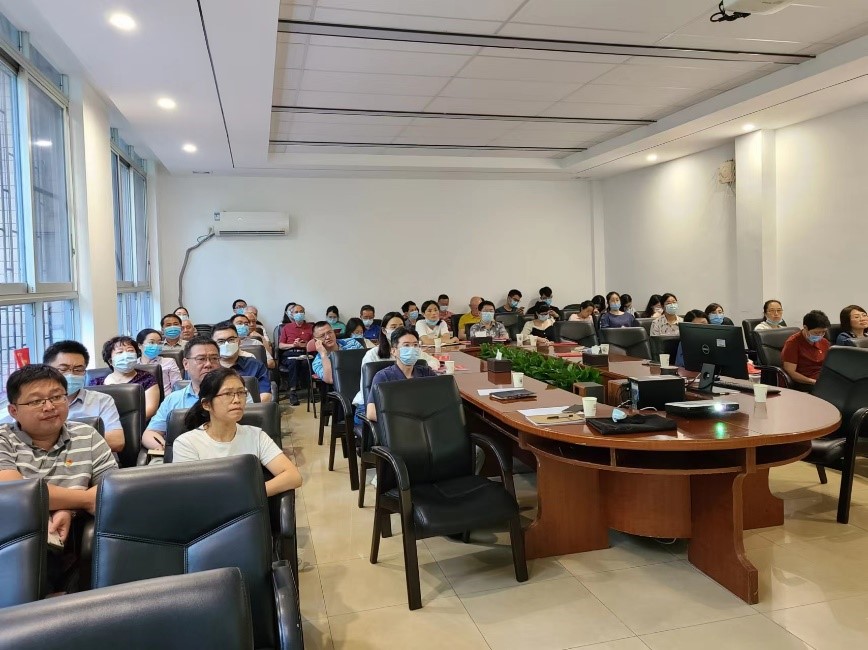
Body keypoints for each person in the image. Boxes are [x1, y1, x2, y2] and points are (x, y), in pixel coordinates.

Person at [0, 365, 117, 590]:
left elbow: (112, 490)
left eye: (56, 397)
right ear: (13, 410)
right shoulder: (3, 438)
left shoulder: (87, 435)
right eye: (36, 401)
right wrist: (83, 500)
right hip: (13, 538)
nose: (49, 407)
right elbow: (14, 492)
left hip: (72, 539)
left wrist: (68, 510)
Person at [173, 368, 301, 496]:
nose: (237, 400)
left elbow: (293, 476)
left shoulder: (256, 436)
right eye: (228, 394)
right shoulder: (187, 443)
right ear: (206, 404)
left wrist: (248, 495)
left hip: (250, 507)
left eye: (241, 393)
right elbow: (190, 493)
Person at [0, 341, 124, 453]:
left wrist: (57, 445)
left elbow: (117, 441)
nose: (71, 374)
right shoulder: (23, 404)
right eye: (63, 369)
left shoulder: (102, 400)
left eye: (78, 370)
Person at [141, 336, 253, 453]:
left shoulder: (239, 394)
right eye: (201, 359)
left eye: (214, 358)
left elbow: (249, 429)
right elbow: (150, 433)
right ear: (186, 364)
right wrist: (167, 448)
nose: (208, 364)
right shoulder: (173, 399)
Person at [365, 327, 437, 422]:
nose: (412, 349)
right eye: (406, 345)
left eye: (415, 345)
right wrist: (404, 419)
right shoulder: (383, 376)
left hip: (426, 424)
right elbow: (371, 413)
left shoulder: (426, 373)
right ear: (393, 351)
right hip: (398, 426)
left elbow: (440, 400)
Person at [352, 311, 405, 424]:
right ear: (384, 331)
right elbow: (366, 390)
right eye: (393, 327)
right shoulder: (372, 355)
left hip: (400, 403)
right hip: (371, 404)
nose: (399, 331)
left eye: (401, 326)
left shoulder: (409, 351)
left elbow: (431, 361)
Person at [89, 336, 160, 419]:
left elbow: (150, 409)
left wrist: (127, 423)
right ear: (110, 361)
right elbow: (90, 410)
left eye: (130, 351)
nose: (126, 355)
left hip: (138, 423)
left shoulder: (147, 378)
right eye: (120, 352)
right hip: (103, 424)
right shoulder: (96, 383)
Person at [213, 322, 272, 402]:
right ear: (213, 345)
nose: (227, 344)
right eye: (221, 341)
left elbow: (265, 396)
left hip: (251, 408)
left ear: (239, 341)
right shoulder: (207, 368)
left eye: (231, 339)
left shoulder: (256, 365)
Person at [781, 310, 831, 388]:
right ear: (805, 328)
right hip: (806, 382)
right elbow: (790, 372)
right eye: (817, 333)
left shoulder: (824, 342)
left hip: (823, 379)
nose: (820, 335)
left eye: (823, 332)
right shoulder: (793, 343)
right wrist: (813, 381)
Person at [278, 303, 313, 406]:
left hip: (305, 353)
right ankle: (292, 392)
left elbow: (315, 343)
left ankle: (309, 391)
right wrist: (293, 345)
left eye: (301, 312)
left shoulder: (311, 327)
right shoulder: (286, 327)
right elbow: (280, 345)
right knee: (293, 362)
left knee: (306, 363)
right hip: (290, 353)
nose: (299, 314)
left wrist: (306, 344)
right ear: (292, 314)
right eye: (296, 312)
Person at [310, 320, 364, 385]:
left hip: (364, 379)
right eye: (322, 336)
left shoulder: (352, 342)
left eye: (330, 332)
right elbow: (330, 379)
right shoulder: (317, 362)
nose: (328, 337)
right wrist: (323, 355)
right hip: (346, 386)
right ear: (316, 340)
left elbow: (366, 361)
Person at [136, 328, 182, 394]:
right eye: (151, 342)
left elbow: (178, 387)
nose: (156, 346)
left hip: (166, 398)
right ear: (140, 345)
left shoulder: (169, 362)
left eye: (159, 343)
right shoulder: (134, 365)